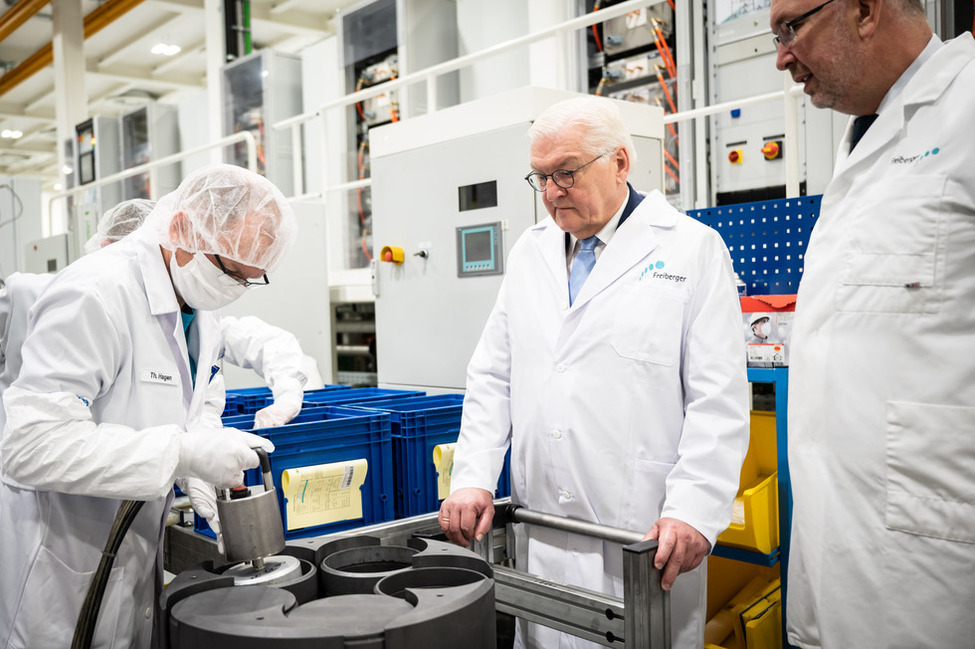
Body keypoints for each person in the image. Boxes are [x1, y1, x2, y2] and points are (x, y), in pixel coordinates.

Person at [438, 95, 749, 649]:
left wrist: (696, 511)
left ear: (621, 163)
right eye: (540, 178)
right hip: (545, 532)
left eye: (566, 173)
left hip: (643, 530)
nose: (552, 193)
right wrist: (472, 476)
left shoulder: (692, 251)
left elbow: (718, 399)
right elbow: (493, 376)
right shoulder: (531, 254)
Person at [0, 163, 297, 648]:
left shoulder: (195, 303)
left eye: (249, 279)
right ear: (181, 228)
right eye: (230, 271)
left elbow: (170, 409)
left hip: (133, 558)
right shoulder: (96, 293)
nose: (233, 287)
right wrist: (180, 453)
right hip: (62, 564)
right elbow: (31, 446)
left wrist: (195, 468)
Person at [770, 1, 975, 647]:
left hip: (930, 567)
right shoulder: (863, 136)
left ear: (861, 11)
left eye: (788, 29)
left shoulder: (965, 108)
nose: (779, 57)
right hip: (838, 553)